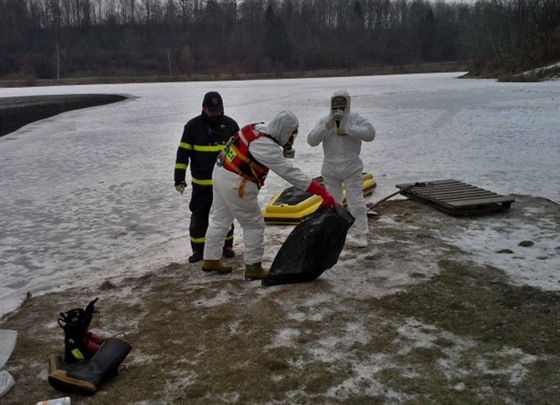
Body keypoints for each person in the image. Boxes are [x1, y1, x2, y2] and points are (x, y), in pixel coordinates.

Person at [202, 110, 336, 280]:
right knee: (253, 224)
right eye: (291, 134)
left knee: (220, 219)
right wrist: (321, 191)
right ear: (285, 131)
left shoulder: (257, 129)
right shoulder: (265, 146)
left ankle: (210, 259)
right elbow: (290, 173)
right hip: (236, 182)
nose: (292, 139)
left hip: (221, 171)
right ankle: (253, 267)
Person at [174, 91, 239, 263]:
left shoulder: (231, 125)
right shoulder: (192, 127)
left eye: (218, 109)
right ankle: (198, 250)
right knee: (198, 217)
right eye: (212, 110)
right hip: (201, 185)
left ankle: (227, 245)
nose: (216, 113)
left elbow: (241, 154)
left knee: (225, 216)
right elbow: (182, 154)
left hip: (224, 183)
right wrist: (179, 179)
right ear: (204, 108)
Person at [307, 90, 376, 248]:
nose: (338, 106)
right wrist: (327, 126)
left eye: (341, 102)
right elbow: (311, 140)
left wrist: (348, 129)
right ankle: (333, 233)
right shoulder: (325, 121)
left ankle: (361, 233)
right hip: (330, 167)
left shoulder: (356, 119)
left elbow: (370, 134)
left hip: (351, 166)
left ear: (348, 103)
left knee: (356, 202)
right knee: (333, 204)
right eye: (336, 103)